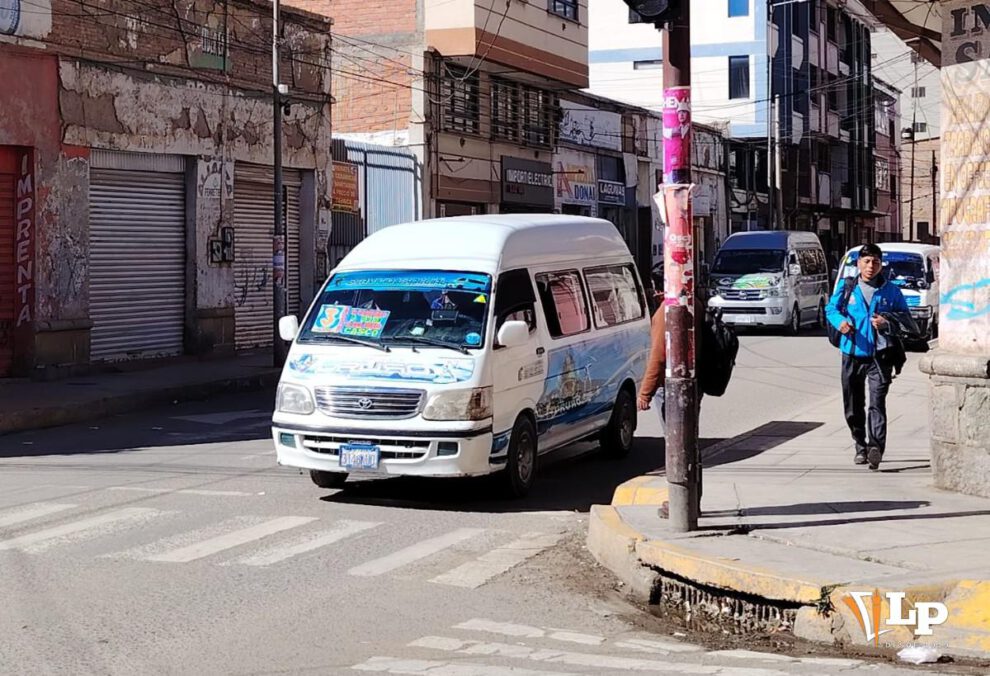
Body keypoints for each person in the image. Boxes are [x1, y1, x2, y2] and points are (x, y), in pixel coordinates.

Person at [825, 243, 913, 471]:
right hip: (852, 353)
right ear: (858, 264)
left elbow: (905, 318)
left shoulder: (891, 291)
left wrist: (887, 322)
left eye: (875, 261)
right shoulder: (847, 289)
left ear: (881, 264)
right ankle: (859, 445)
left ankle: (876, 447)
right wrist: (840, 323)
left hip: (880, 356)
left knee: (877, 403)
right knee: (853, 405)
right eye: (866, 261)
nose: (871, 266)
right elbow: (831, 310)